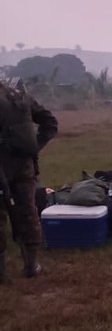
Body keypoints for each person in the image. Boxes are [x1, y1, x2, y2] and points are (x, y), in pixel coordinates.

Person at [0, 78, 58, 283]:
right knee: (29, 211)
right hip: (25, 165)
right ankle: (31, 265)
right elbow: (50, 122)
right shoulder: (20, 97)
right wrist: (34, 146)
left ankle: (2, 272)